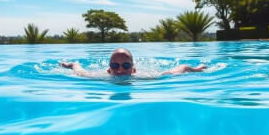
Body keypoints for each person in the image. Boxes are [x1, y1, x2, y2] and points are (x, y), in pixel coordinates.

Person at [60, 47, 207, 77]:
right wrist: (71, 65)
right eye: (114, 66)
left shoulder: (145, 77)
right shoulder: (99, 76)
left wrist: (196, 68)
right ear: (108, 70)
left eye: (126, 66)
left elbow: (181, 68)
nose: (120, 70)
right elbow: (80, 71)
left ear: (133, 70)